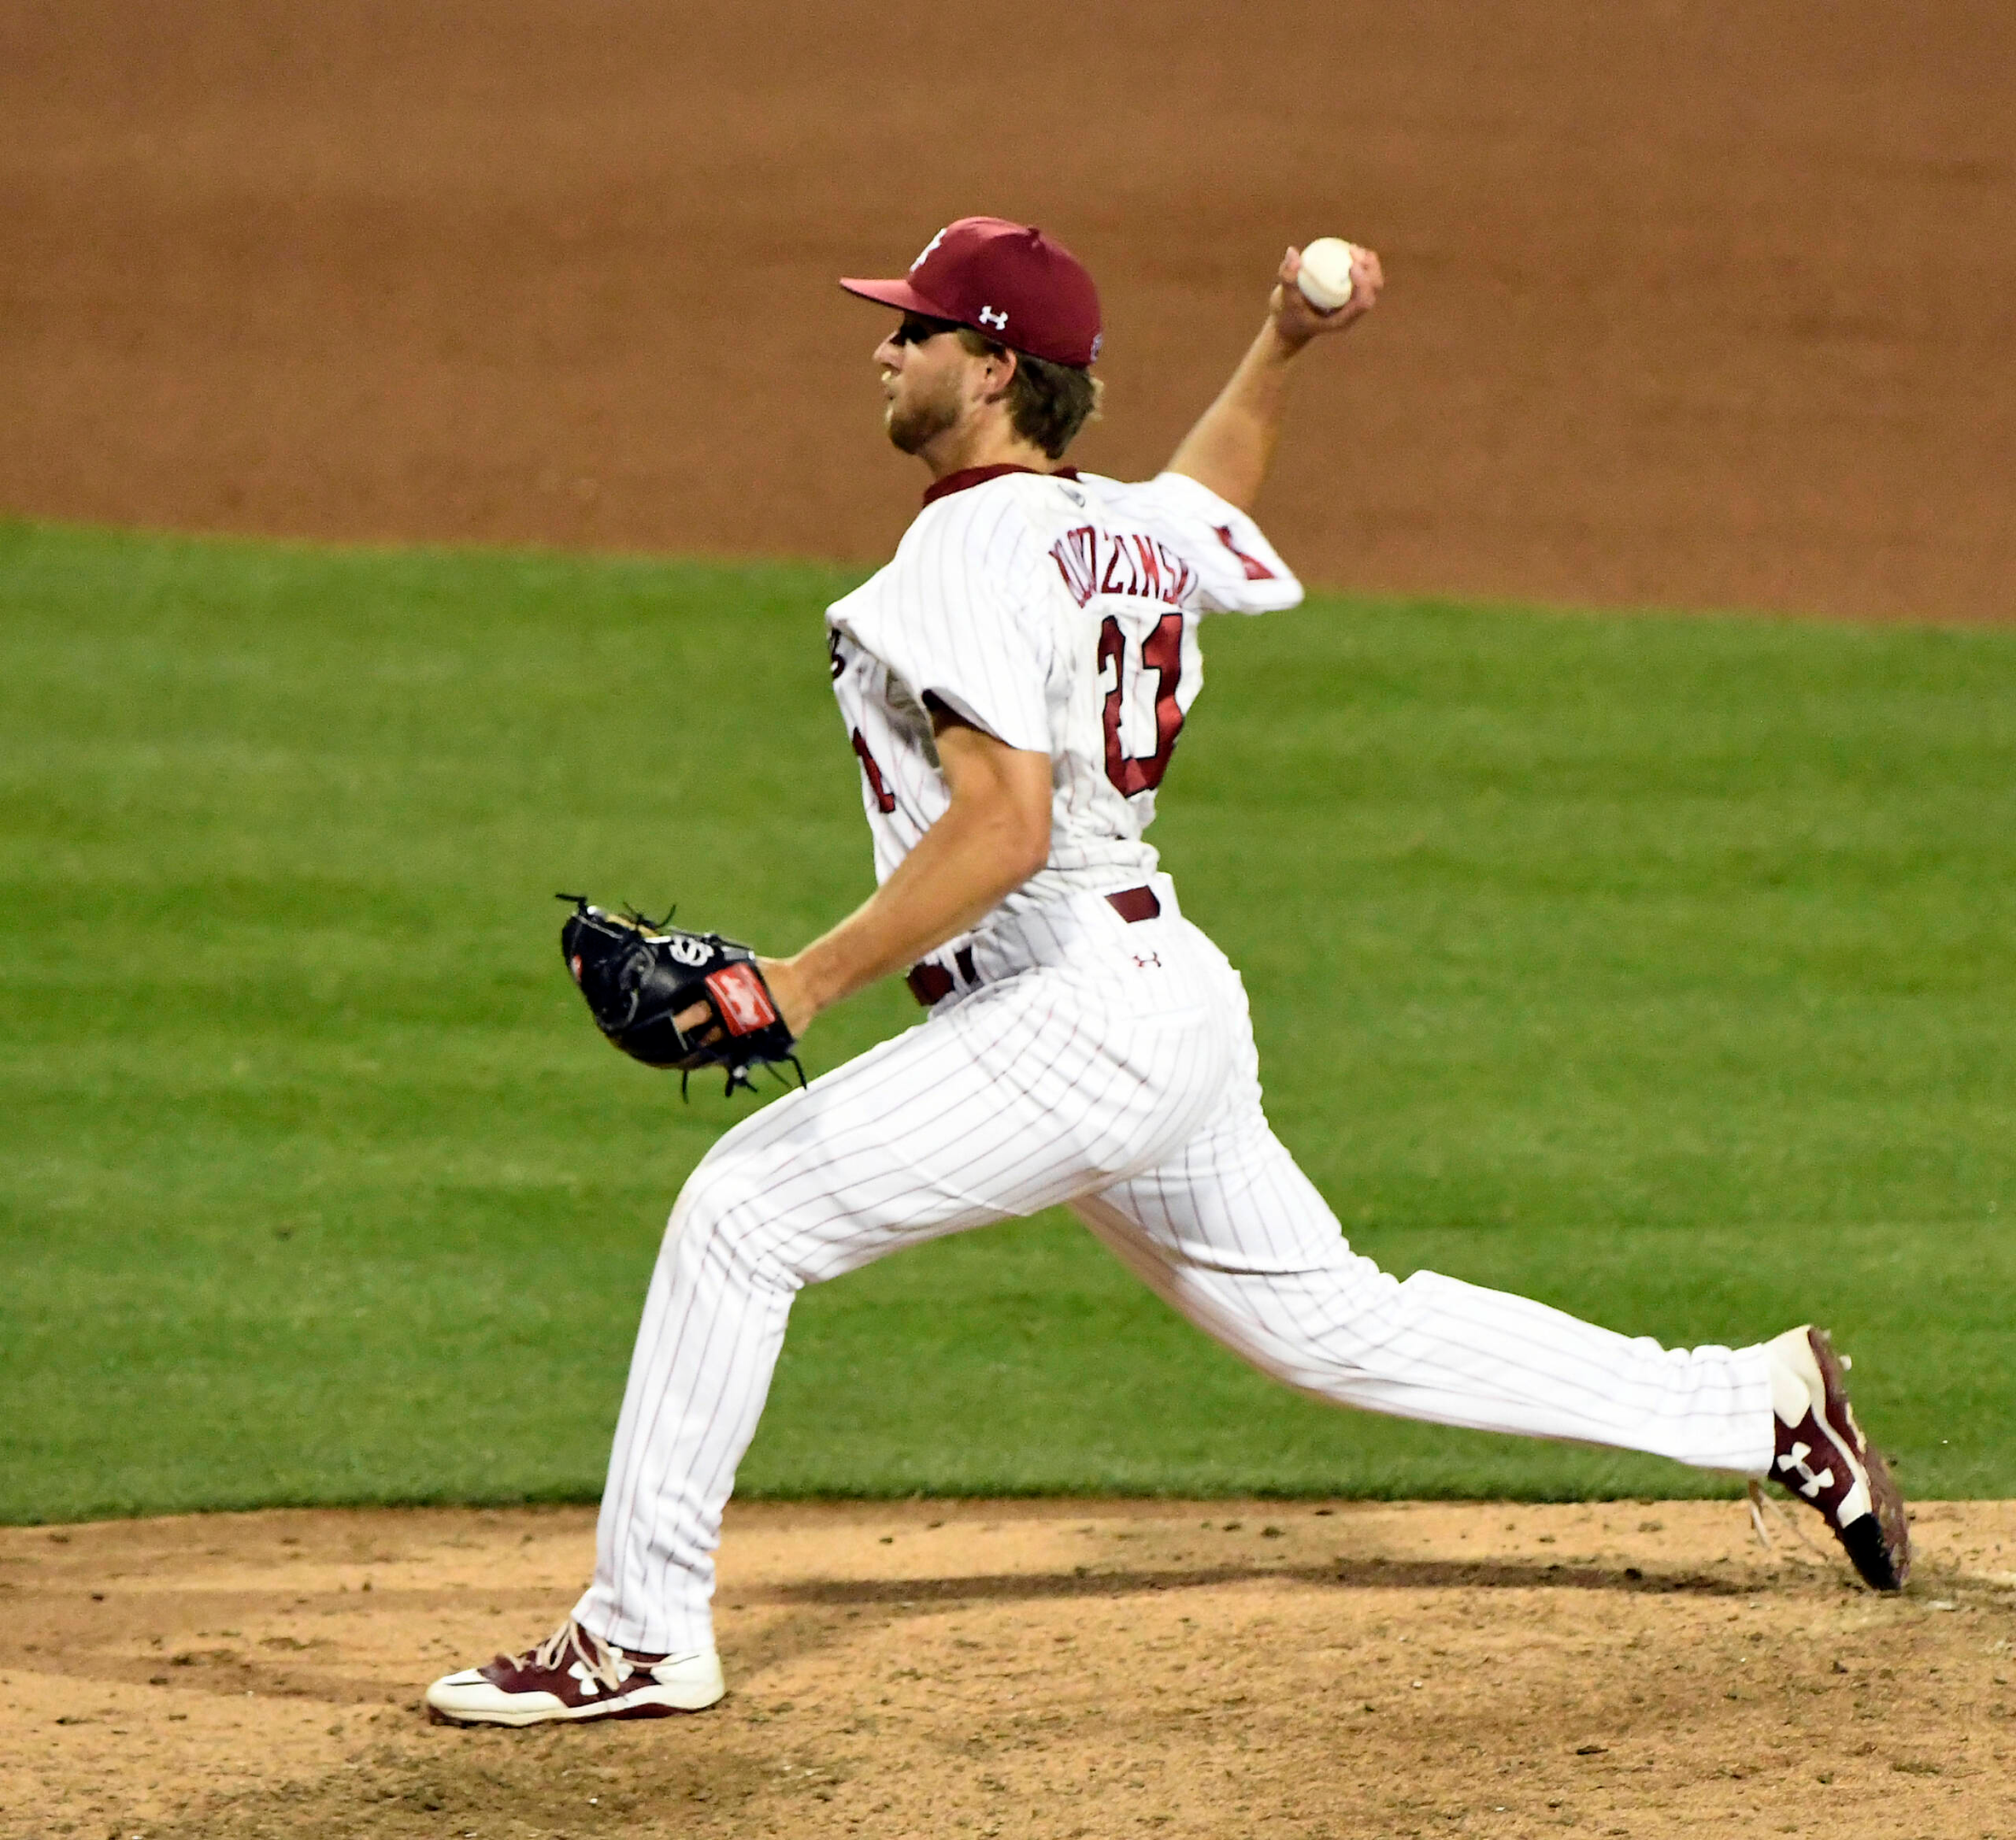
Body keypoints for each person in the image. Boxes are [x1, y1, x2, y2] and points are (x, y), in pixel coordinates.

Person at [426, 217, 1909, 1727]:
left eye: (917, 329)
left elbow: (1000, 830)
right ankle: (1755, 1403)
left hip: (1068, 1009)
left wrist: (798, 985)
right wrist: (1280, 343)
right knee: (1327, 1321)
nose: (883, 347)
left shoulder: (962, 543)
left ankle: (640, 1632)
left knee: (740, 1215)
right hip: (1161, 995)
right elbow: (1211, 494)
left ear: (992, 367)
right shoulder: (1121, 523)